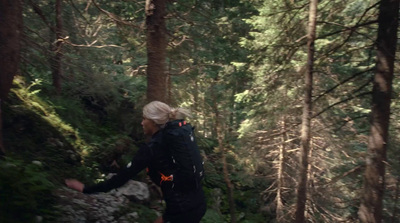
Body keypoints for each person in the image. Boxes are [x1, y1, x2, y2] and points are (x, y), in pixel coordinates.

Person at [65, 101, 206, 223]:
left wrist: (86, 189)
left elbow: (122, 177)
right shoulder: (174, 137)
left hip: (181, 212)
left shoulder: (153, 148)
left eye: (144, 119)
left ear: (153, 121)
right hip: (197, 204)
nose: (141, 122)